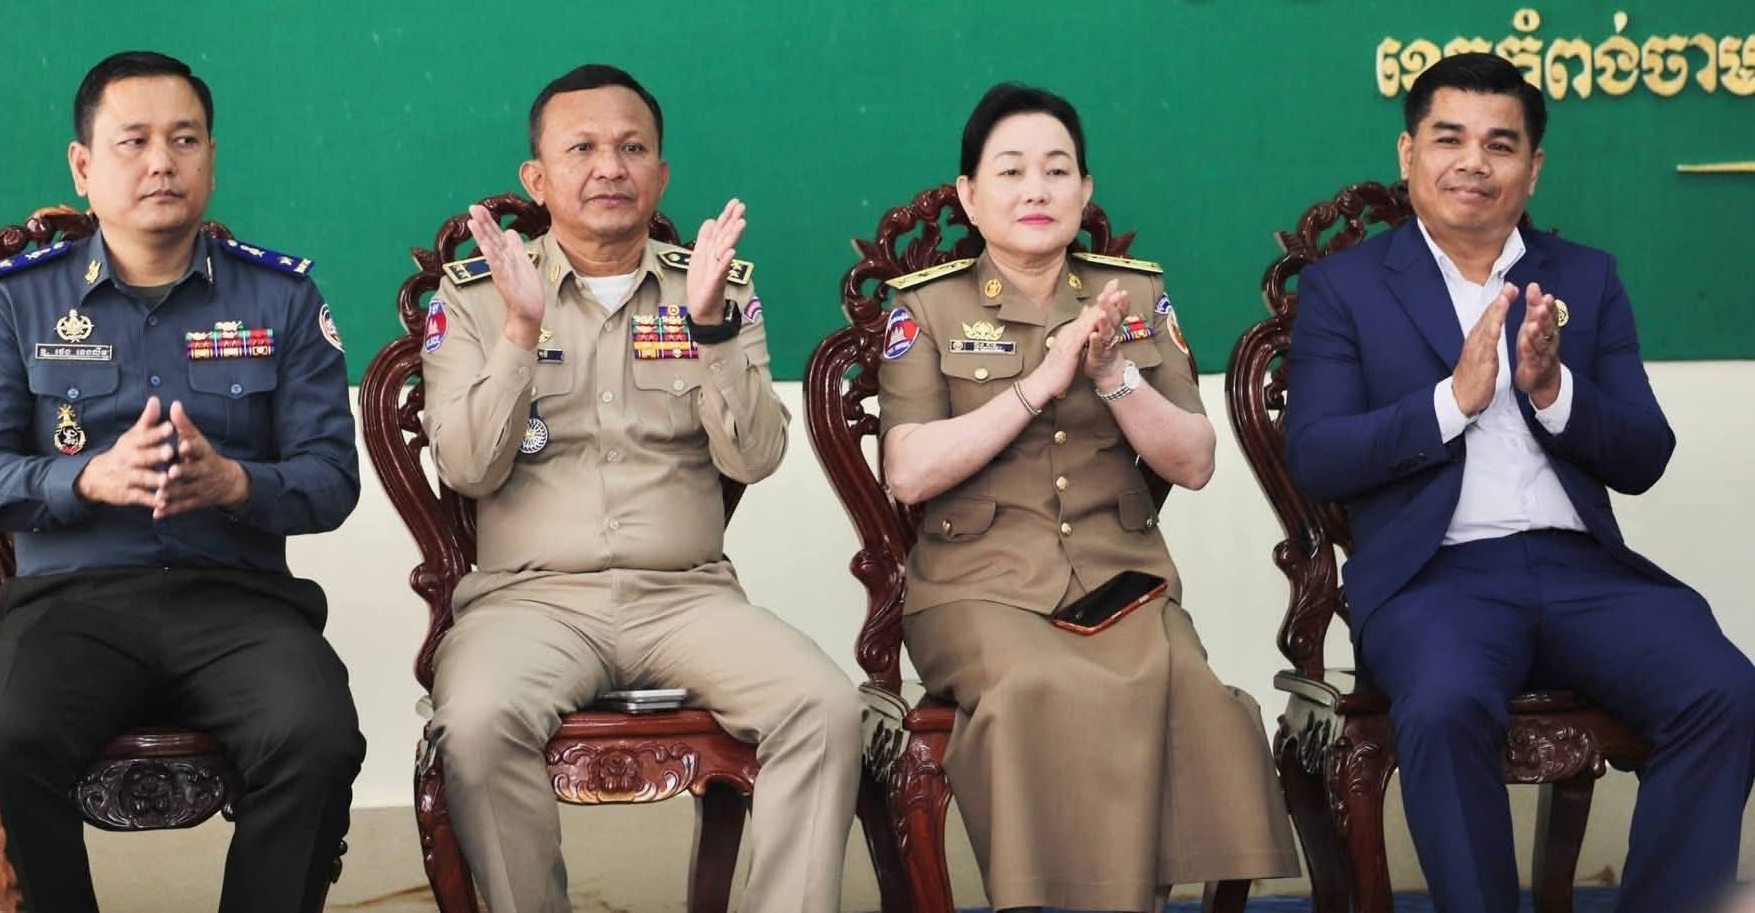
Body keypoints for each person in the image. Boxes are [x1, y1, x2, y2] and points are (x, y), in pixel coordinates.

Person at [1285, 51, 1755, 913]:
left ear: (1532, 168)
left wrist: (1553, 391)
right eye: (1449, 139)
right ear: (1408, 153)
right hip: (1434, 580)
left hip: (1583, 573)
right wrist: (1451, 403)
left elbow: (1645, 455)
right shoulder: (1345, 288)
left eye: (1500, 145)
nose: (1473, 162)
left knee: (1723, 691)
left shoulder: (1586, 277)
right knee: (1445, 705)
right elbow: (1316, 454)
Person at [418, 63, 861, 913]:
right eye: (581, 149)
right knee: (475, 723)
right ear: (537, 178)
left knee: (825, 707)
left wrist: (710, 327)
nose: (609, 168)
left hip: (686, 598)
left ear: (660, 174)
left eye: (631, 149)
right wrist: (520, 330)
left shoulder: (716, 286)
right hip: (529, 603)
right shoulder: (475, 296)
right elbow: (468, 468)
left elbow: (757, 458)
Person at [878, 82, 1297, 913]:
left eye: (1057, 170)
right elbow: (909, 472)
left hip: (1122, 581)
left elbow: (1195, 461)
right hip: (977, 589)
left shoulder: (1133, 296)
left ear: (1085, 189)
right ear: (970, 194)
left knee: (1197, 695)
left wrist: (1113, 375)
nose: (1036, 189)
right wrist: (1039, 384)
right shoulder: (925, 304)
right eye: (1011, 171)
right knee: (1040, 687)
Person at [0, 50, 364, 913]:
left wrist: (234, 485)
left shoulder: (281, 298)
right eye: (134, 141)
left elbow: (333, 481)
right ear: (83, 167)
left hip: (237, 603)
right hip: (68, 606)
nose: (162, 162)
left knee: (316, 734)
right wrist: (86, 479)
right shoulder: (14, 302)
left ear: (210, 159)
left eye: (184, 140)